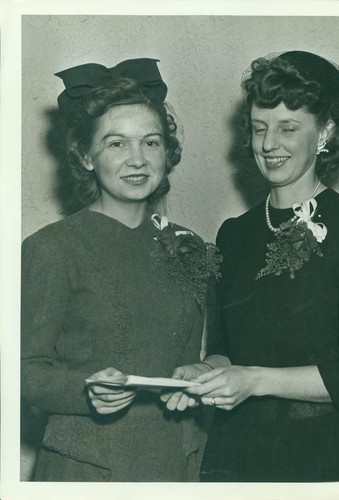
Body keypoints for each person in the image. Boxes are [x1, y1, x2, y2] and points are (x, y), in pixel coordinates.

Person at [162, 51, 339, 482]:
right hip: (236, 454)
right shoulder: (235, 233)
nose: (268, 144)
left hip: (327, 458)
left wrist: (254, 380)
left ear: (324, 133)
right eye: (260, 128)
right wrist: (204, 373)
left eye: (288, 128)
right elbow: (227, 348)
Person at [21, 58, 214, 481]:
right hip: (88, 467)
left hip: (177, 461)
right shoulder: (51, 248)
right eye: (115, 144)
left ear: (167, 152)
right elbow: (24, 369)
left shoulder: (189, 246)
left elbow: (186, 357)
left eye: (151, 142)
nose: (137, 159)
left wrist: (199, 372)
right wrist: (83, 390)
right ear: (85, 156)